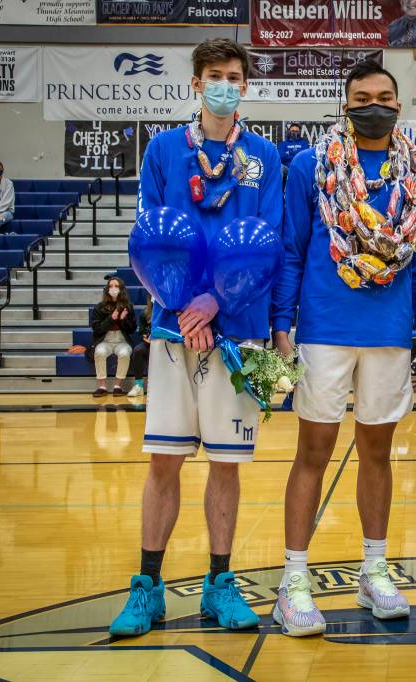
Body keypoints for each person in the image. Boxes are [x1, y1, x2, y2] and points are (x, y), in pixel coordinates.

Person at [108, 38, 283, 637]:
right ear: (195, 83)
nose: (224, 85)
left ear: (245, 85)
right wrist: (185, 304)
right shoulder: (162, 151)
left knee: (227, 467)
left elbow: (271, 242)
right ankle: (148, 587)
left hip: (240, 333)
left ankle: (219, 583)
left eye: (234, 76)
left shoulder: (264, 156)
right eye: (214, 75)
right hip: (171, 328)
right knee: (163, 462)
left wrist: (217, 302)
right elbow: (151, 239)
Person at [270, 61, 416, 637]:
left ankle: (375, 568)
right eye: (362, 97)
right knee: (312, 453)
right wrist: (282, 325)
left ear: (398, 104)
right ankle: (293, 581)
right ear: (345, 106)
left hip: (390, 335)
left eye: (385, 96)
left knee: (376, 454)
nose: (375, 104)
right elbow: (292, 250)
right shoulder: (309, 166)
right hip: (322, 329)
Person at [89, 277, 136, 398]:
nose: (113, 289)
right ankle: (102, 386)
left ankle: (117, 386)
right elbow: (97, 328)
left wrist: (123, 319)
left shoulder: (128, 307)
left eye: (116, 286)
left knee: (125, 353)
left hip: (122, 340)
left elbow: (132, 329)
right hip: (105, 340)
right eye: (111, 286)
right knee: (99, 352)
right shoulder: (99, 307)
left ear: (121, 289)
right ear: (107, 289)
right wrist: (111, 319)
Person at [128, 303, 153, 398]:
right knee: (138, 350)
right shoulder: (145, 313)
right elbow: (143, 333)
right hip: (149, 344)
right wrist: (147, 339)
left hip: (166, 344)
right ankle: (139, 385)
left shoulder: (168, 311)